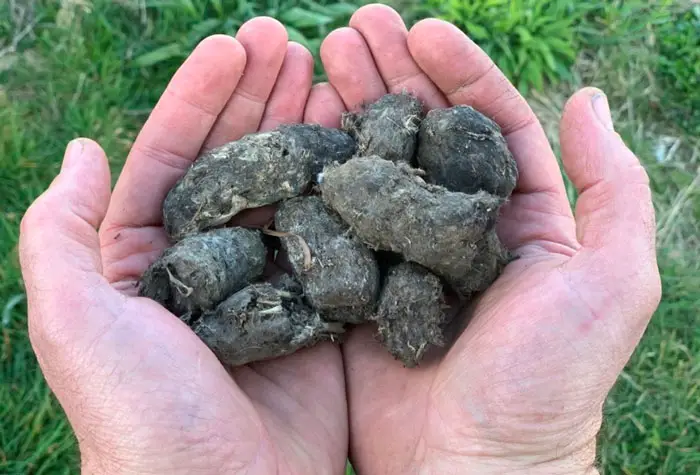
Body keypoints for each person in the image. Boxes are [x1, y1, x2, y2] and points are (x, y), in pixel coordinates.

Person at [19, 4, 661, 474]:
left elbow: (374, 257)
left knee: (358, 271)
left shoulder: (388, 237)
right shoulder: (332, 228)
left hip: (387, 251)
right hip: (340, 254)